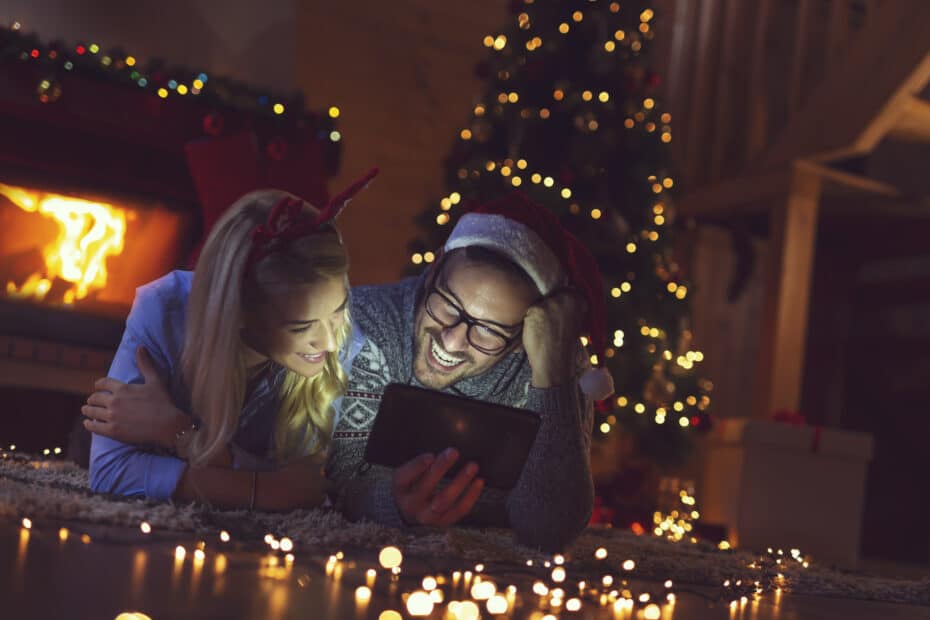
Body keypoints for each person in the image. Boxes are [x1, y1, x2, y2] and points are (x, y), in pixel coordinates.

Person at [327, 191, 612, 550]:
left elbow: (549, 529)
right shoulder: (367, 324)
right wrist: (394, 505)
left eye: (489, 330)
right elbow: (333, 482)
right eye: (447, 304)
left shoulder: (555, 360)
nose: (452, 340)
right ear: (433, 273)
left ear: (522, 335)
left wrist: (553, 376)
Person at [83, 170, 377, 511]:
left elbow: (309, 484)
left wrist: (178, 432)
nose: (329, 341)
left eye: (338, 310)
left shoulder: (345, 340)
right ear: (238, 313)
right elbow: (109, 471)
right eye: (301, 327)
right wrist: (265, 490)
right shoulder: (164, 310)